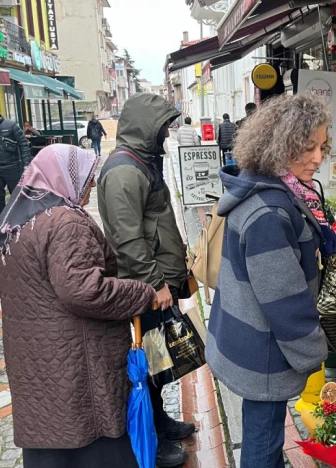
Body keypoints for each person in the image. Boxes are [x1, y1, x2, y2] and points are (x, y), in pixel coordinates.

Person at [0, 144, 157, 468]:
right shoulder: (67, 222)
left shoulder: (15, 219)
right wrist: (141, 292)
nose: (92, 185)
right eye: (86, 177)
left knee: (50, 439)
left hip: (35, 358)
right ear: (65, 177)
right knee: (93, 442)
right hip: (78, 360)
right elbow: (84, 291)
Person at [207, 93, 330, 468]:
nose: (318, 158)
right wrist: (313, 351)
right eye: (307, 148)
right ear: (281, 146)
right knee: (263, 439)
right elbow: (284, 299)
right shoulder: (270, 210)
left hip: (247, 335)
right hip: (265, 347)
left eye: (322, 146)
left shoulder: (259, 187)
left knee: (264, 428)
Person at [96, 92, 195, 468]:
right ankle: (152, 441)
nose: (167, 136)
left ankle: (162, 422)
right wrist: (155, 284)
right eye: (162, 129)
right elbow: (129, 238)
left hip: (157, 282)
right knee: (148, 361)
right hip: (145, 287)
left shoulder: (141, 162)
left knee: (159, 359)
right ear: (146, 129)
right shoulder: (124, 170)